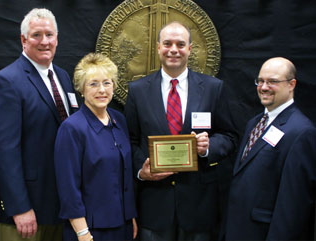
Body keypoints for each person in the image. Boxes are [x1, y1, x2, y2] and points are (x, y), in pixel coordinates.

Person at [124, 21, 238, 241]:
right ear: (158, 47)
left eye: (180, 44)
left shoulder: (213, 88)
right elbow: (130, 139)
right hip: (154, 205)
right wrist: (141, 170)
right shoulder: (137, 91)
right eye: (167, 43)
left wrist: (208, 148)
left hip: (199, 206)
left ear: (190, 49)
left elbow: (230, 136)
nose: (173, 49)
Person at [0, 8, 78, 241]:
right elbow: (3, 153)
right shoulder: (6, 82)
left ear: (57, 38)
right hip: (26, 213)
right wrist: (19, 207)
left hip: (61, 206)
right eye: (36, 35)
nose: (44, 41)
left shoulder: (63, 77)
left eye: (49, 35)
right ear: (23, 40)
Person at [224, 57, 315, 240]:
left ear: (291, 84)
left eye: (272, 81)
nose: (264, 87)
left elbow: (294, 205)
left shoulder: (301, 132)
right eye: (261, 81)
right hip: (238, 229)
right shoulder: (254, 123)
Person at [54, 53, 137, 241]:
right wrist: (83, 233)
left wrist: (130, 216)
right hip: (90, 230)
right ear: (81, 89)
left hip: (122, 226)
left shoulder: (119, 120)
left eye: (107, 83)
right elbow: (68, 188)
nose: (102, 90)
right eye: (93, 84)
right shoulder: (72, 128)